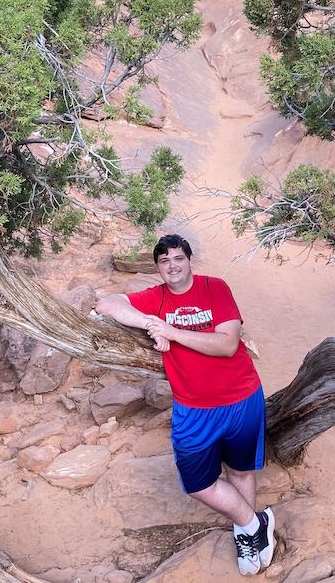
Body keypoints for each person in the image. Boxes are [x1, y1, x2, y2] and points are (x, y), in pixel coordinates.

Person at [95, 233, 276, 576]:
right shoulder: (155, 298)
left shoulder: (215, 288)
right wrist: (151, 323)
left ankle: (247, 537)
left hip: (240, 398)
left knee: (239, 471)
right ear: (158, 268)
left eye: (178, 258)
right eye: (164, 261)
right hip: (193, 408)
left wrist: (171, 332)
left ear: (190, 260)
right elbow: (108, 303)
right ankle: (255, 524)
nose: (172, 266)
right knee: (197, 484)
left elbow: (226, 345)